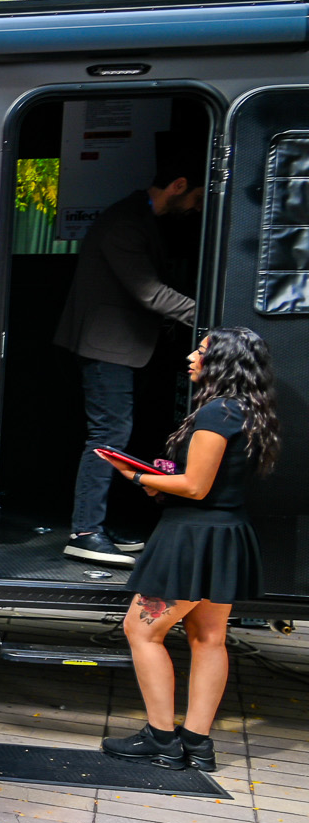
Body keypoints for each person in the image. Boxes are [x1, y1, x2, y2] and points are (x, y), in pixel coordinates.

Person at [102, 328, 279, 773]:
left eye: (200, 351)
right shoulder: (249, 411)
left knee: (141, 631)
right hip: (224, 536)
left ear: (223, 362)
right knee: (209, 639)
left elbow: (196, 486)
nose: (190, 356)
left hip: (191, 539)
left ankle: (162, 740)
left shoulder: (217, 412)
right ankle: (197, 746)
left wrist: (136, 476)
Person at [54, 149, 202, 568]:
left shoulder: (140, 218)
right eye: (197, 196)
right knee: (107, 438)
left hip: (120, 346)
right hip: (106, 348)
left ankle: (96, 525)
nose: (197, 206)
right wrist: (210, 316)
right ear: (178, 186)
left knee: (113, 434)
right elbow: (148, 292)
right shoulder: (125, 222)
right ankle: (85, 531)